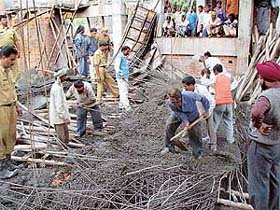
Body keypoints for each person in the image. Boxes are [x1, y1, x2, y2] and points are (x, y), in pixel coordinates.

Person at [248, 61, 280, 210]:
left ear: (264, 80)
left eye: (261, 78)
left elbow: (256, 112)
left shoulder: (266, 96)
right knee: (275, 182)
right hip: (277, 145)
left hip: (261, 146)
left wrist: (258, 125)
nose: (259, 80)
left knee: (258, 185)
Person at [162, 88, 210, 159]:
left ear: (178, 98)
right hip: (178, 113)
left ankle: (197, 153)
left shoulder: (190, 95)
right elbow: (179, 113)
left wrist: (206, 110)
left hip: (192, 114)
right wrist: (186, 122)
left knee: (195, 132)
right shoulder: (171, 103)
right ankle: (169, 147)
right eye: (170, 98)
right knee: (169, 125)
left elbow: (203, 99)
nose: (170, 100)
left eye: (172, 99)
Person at [0, 46, 20, 179]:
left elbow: (12, 90)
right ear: (3, 57)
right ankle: (1, 168)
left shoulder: (9, 71)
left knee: (10, 136)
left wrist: (16, 104)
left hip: (11, 107)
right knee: (0, 137)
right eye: (11, 60)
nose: (12, 63)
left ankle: (8, 161)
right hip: (1, 108)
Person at [182, 76, 217, 151]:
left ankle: (213, 145)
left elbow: (212, 102)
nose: (184, 88)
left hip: (207, 108)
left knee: (210, 126)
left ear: (191, 85)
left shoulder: (202, 90)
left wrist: (208, 112)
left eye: (186, 86)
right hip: (195, 110)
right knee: (190, 124)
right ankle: (184, 139)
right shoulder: (185, 91)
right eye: (184, 86)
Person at [212, 64, 234, 144]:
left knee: (215, 122)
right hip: (229, 102)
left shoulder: (215, 78)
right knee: (229, 121)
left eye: (213, 72)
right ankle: (230, 140)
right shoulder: (228, 78)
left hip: (220, 102)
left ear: (216, 71)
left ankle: (211, 139)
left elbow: (206, 83)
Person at [49, 67, 71, 144]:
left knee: (66, 137)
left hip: (61, 118)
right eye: (64, 76)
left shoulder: (58, 86)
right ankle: (62, 154)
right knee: (62, 139)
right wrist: (65, 118)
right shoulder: (57, 89)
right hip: (59, 118)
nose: (65, 77)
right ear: (60, 77)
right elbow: (59, 107)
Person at [0, 15, 21, 84]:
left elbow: (17, 41)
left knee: (15, 69)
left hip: (11, 52)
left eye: (6, 20)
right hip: (2, 52)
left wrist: (19, 51)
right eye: (4, 20)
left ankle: (14, 84)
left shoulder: (11, 30)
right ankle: (4, 83)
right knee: (2, 68)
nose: (6, 21)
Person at [114, 46, 132, 111]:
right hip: (122, 77)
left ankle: (121, 105)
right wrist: (121, 75)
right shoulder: (119, 57)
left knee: (123, 91)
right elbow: (117, 67)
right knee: (124, 92)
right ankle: (127, 107)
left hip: (125, 76)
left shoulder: (123, 57)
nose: (128, 53)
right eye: (127, 51)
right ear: (123, 51)